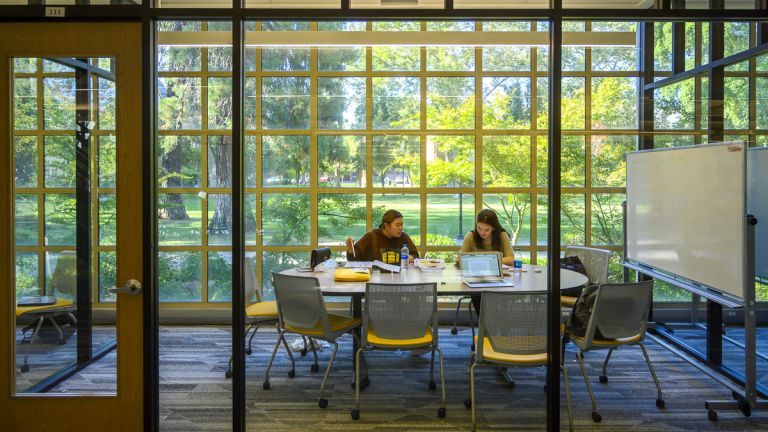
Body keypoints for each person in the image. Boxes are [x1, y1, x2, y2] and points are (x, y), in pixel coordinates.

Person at [459, 209, 515, 315]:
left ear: (493, 228)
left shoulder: (502, 236)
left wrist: (485, 260)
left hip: (497, 278)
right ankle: (486, 325)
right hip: (475, 278)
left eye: (486, 229)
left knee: (499, 296)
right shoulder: (470, 236)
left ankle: (491, 325)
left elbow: (511, 259)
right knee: (479, 295)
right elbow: (463, 258)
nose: (482, 232)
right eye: (479, 228)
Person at [346, 209, 419, 263]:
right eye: (397, 225)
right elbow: (353, 260)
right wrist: (350, 250)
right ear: (386, 226)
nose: (400, 228)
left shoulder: (403, 237)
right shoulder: (371, 237)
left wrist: (412, 257)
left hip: (399, 278)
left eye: (401, 224)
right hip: (375, 279)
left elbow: (415, 255)